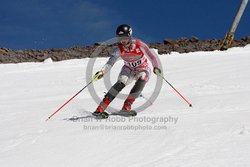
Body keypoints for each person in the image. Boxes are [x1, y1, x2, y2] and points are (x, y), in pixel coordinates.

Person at [92, 24, 162, 118]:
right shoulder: (119, 49)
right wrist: (102, 72)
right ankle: (100, 109)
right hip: (128, 69)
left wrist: (156, 67)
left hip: (142, 68)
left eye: (124, 37)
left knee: (143, 78)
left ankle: (126, 107)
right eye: (119, 38)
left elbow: (152, 56)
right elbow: (110, 62)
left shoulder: (139, 44)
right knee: (120, 83)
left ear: (129, 36)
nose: (122, 41)